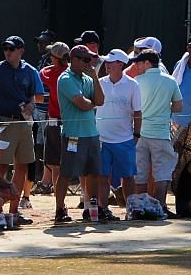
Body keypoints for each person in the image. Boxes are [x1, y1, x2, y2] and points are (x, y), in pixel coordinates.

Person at [0, 35, 43, 226]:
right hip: (4, 121)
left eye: (11, 49)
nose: (7, 52)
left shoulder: (29, 70)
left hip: (24, 123)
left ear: (21, 50)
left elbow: (38, 96)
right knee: (1, 167)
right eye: (5, 49)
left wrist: (30, 104)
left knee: (22, 165)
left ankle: (14, 212)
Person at [55, 45, 103, 225]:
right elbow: (82, 104)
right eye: (84, 59)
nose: (88, 63)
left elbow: (100, 100)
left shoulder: (88, 79)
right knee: (66, 172)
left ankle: (91, 209)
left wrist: (95, 78)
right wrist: (92, 103)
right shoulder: (65, 79)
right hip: (73, 135)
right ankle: (60, 209)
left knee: (93, 173)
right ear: (73, 59)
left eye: (89, 60)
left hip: (91, 134)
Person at [132, 49, 182, 202]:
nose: (137, 66)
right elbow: (179, 106)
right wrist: (164, 107)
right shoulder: (170, 81)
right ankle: (160, 206)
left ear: (148, 63)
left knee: (140, 174)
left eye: (139, 63)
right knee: (162, 174)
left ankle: (140, 207)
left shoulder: (137, 81)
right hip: (160, 134)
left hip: (140, 133)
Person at [95, 49, 140, 209]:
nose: (106, 64)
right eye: (106, 61)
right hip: (102, 138)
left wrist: (136, 134)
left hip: (125, 139)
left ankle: (131, 209)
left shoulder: (133, 85)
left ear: (120, 64)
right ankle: (102, 209)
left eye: (110, 61)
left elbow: (137, 112)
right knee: (102, 176)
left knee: (128, 177)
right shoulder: (100, 82)